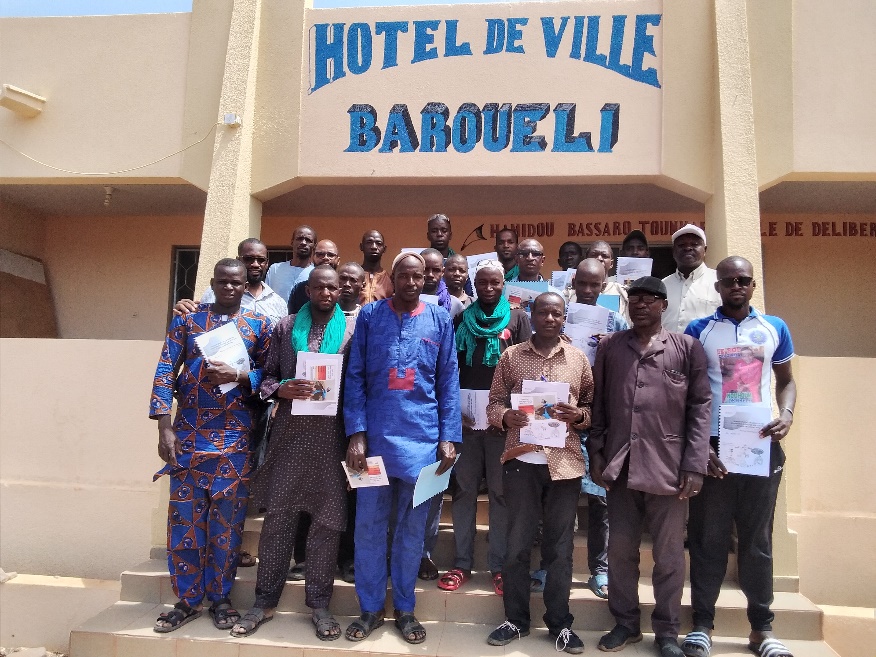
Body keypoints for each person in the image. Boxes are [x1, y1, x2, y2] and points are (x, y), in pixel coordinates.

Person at [343, 252, 462, 645]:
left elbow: (448, 382)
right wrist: (356, 433)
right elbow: (355, 376)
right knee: (368, 528)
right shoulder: (370, 317)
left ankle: (406, 610)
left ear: (426, 278)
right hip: (372, 443)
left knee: (413, 531)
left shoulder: (440, 319)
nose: (412, 283)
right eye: (404, 277)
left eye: (418, 276)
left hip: (425, 443)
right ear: (392, 278)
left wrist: (449, 437)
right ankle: (370, 608)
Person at [588, 276, 711, 657]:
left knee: (669, 556)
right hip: (621, 466)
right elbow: (599, 407)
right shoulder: (610, 348)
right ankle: (625, 622)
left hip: (669, 469)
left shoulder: (687, 348)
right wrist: (596, 454)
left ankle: (667, 632)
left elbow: (700, 408)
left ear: (663, 305)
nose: (640, 305)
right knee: (621, 550)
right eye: (635, 300)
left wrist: (695, 465)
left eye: (649, 300)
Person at [231, 265, 355, 639]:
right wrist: (282, 387)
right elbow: (264, 376)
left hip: (333, 440)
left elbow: (359, 386)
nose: (326, 293)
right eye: (319, 286)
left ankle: (319, 605)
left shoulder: (352, 332)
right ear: (308, 289)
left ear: (339, 291)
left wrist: (358, 438)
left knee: (326, 524)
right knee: (278, 522)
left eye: (332, 287)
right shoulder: (284, 328)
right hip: (288, 438)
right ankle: (264, 601)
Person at [682, 257, 797, 657]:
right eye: (729, 280)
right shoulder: (699, 331)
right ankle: (701, 626)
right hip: (714, 450)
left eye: (743, 280)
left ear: (752, 285)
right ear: (718, 288)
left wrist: (786, 415)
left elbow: (786, 382)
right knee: (707, 539)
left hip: (761, 445)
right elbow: (689, 395)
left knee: (757, 541)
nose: (736, 285)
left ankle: (762, 629)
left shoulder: (774, 328)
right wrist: (698, 448)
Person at [149, 258, 272, 633]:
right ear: (213, 283)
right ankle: (186, 600)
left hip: (235, 442)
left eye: (236, 282)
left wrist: (239, 374)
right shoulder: (187, 320)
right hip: (188, 439)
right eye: (223, 282)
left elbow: (269, 377)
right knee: (185, 524)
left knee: (227, 527)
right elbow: (165, 371)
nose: (230, 288)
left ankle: (220, 597)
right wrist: (163, 427)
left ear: (246, 283)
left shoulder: (259, 325)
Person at [484, 292, 593, 655]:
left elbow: (591, 406)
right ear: (531, 314)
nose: (549, 318)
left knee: (559, 549)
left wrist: (578, 417)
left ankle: (560, 623)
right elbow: (494, 401)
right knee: (517, 546)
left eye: (556, 313)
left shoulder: (578, 359)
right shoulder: (511, 356)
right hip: (521, 463)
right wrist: (504, 417)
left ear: (564, 318)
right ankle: (515, 619)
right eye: (542, 311)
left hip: (564, 466)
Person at [438, 260, 531, 596]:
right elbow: (450, 369)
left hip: (501, 426)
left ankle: (499, 565)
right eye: (483, 282)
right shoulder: (461, 317)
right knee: (463, 492)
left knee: (500, 494)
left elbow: (526, 371)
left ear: (504, 283)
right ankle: (461, 563)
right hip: (465, 423)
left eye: (495, 282)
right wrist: (453, 414)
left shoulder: (519, 319)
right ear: (474, 284)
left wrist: (507, 414)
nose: (489, 288)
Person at [567, 258, 629, 600]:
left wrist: (610, 346)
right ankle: (552, 565)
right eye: (583, 284)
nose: (588, 291)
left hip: (600, 419)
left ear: (604, 285)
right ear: (573, 282)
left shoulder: (616, 322)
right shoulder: (558, 315)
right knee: (558, 497)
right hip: (563, 418)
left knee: (600, 499)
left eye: (595, 285)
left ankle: (600, 569)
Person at [174, 238, 288, 324]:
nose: (255, 264)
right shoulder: (216, 292)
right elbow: (200, 323)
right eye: (249, 259)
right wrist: (184, 313)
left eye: (261, 260)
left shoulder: (279, 303)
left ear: (267, 263)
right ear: (238, 260)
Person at [662, 224, 721, 333]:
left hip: (706, 349)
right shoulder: (663, 285)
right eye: (681, 245)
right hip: (669, 349)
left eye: (694, 244)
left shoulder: (719, 282)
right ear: (673, 251)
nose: (688, 248)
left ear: (705, 250)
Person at [287, 240, 341, 314]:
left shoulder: (346, 290)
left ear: (338, 260)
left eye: (330, 255)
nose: (325, 258)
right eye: (320, 254)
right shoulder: (299, 289)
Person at [265, 225, 316, 302]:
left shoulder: (315, 274)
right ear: (292, 242)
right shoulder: (275, 270)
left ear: (314, 245)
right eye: (299, 239)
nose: (303, 243)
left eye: (308, 240)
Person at [584, 240, 629, 319]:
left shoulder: (622, 292)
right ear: (586, 259)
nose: (599, 259)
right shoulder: (571, 292)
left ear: (611, 264)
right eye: (594, 255)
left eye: (604, 256)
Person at [421, 248, 465, 319]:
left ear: (443, 272)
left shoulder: (455, 305)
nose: (430, 274)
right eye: (425, 269)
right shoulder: (405, 301)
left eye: (436, 270)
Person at [359, 230, 394, 305]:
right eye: (369, 242)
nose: (374, 247)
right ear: (361, 247)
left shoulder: (390, 280)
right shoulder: (353, 277)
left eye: (378, 243)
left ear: (384, 249)